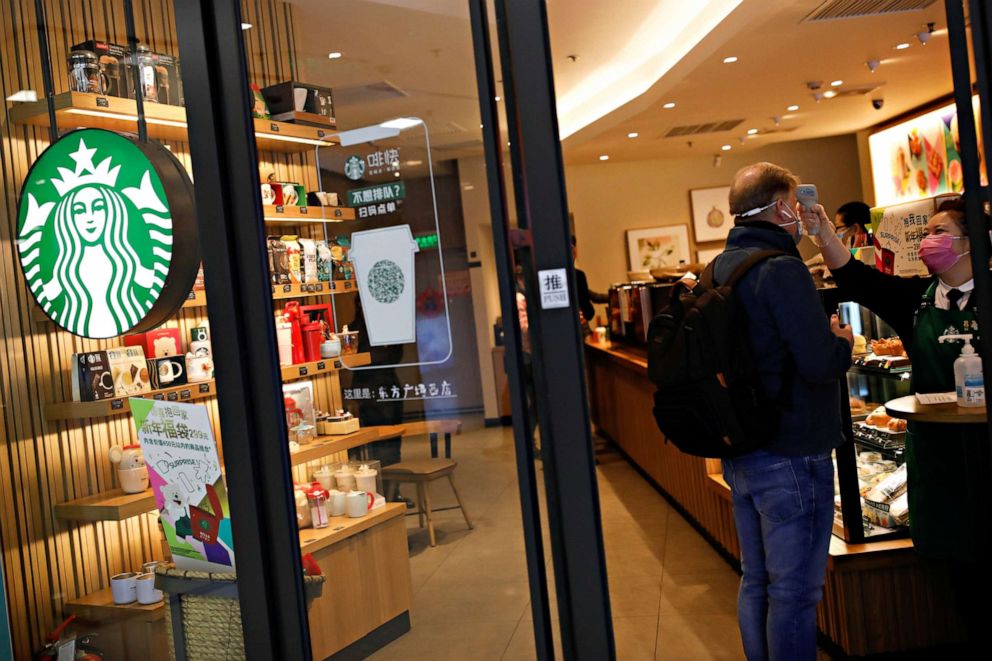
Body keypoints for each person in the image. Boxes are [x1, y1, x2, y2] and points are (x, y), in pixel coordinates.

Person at [801, 197, 991, 652]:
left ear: (974, 244)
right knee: (963, 579)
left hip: (987, 451)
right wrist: (823, 230)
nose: (928, 241)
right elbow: (856, 278)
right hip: (941, 461)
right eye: (926, 232)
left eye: (939, 232)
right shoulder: (915, 302)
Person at [715, 162, 853, 661]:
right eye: (796, 205)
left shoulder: (722, 266)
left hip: (745, 447)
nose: (799, 214)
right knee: (795, 595)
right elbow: (818, 363)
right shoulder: (781, 268)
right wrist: (843, 344)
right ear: (780, 208)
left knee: (757, 582)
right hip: (794, 448)